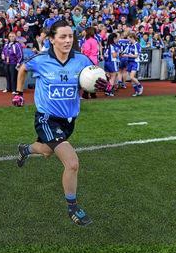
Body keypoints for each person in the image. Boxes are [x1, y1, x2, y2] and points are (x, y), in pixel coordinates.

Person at [11, 20, 107, 226]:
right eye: (62, 37)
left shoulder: (81, 60)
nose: (67, 40)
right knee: (72, 163)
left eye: (70, 36)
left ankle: (25, 149)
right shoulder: (41, 60)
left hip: (69, 120)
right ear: (52, 39)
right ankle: (73, 208)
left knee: (46, 151)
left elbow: (96, 78)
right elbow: (22, 69)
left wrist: (104, 85)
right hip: (47, 118)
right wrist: (18, 93)